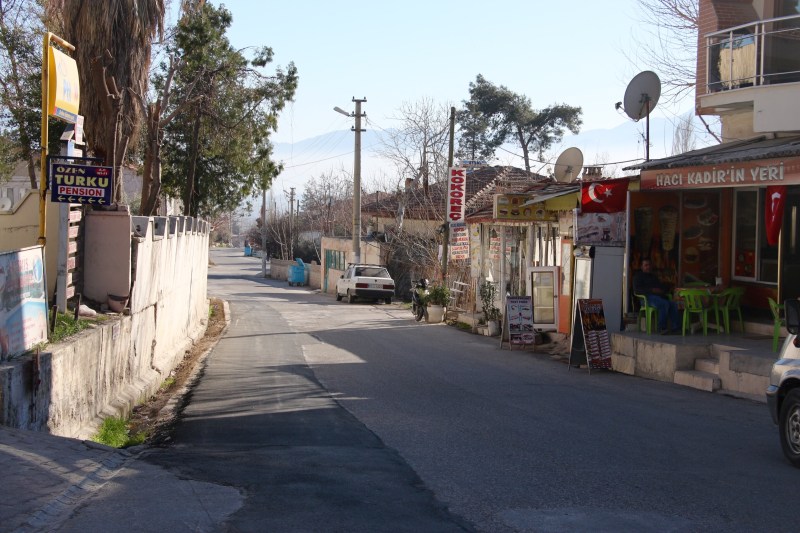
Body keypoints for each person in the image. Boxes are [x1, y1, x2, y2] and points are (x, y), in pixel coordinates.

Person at [633, 259, 681, 334]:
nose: (648, 267)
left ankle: (676, 328)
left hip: (657, 297)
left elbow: (660, 286)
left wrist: (664, 289)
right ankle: (662, 328)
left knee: (673, 304)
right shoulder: (638, 277)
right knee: (664, 304)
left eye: (649, 265)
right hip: (646, 298)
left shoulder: (653, 277)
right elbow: (637, 290)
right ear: (641, 267)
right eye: (646, 265)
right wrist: (651, 290)